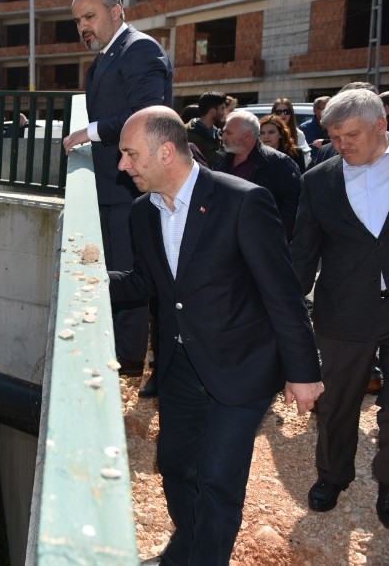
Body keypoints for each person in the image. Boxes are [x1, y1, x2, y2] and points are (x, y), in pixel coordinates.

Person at [109, 106, 322, 565]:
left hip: (241, 367)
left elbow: (282, 293)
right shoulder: (142, 212)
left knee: (219, 481)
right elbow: (150, 282)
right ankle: (189, 541)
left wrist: (303, 372)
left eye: (130, 154)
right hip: (180, 366)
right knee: (174, 466)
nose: (122, 165)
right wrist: (90, 283)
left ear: (166, 152)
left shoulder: (243, 201)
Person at [290, 87, 389, 530]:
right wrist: (282, 310)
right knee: (335, 405)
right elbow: (303, 255)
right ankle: (333, 476)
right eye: (334, 137)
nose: (342, 145)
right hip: (342, 312)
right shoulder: (318, 180)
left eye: (350, 135)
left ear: (381, 126)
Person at [62, 0, 173, 377]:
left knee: (129, 272)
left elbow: (148, 113)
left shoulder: (139, 49)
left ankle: (128, 361)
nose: (83, 27)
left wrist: (88, 133)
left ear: (117, 11)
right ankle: (121, 352)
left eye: (89, 16)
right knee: (114, 269)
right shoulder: (105, 57)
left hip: (133, 186)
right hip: (111, 187)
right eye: (78, 20)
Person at [215, 111, 301, 239]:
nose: (223, 137)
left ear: (247, 135)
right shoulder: (222, 160)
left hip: (262, 241)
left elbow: (293, 205)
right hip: (227, 241)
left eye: (229, 133)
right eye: (223, 132)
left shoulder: (278, 163)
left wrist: (278, 238)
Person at [184, 91, 228, 168]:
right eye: (222, 109)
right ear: (213, 111)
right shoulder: (189, 136)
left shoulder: (218, 134)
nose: (225, 113)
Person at [271, 98, 311, 170]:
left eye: (286, 112)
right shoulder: (265, 131)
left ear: (291, 114)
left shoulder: (298, 133)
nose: (283, 115)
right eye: (278, 112)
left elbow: (306, 158)